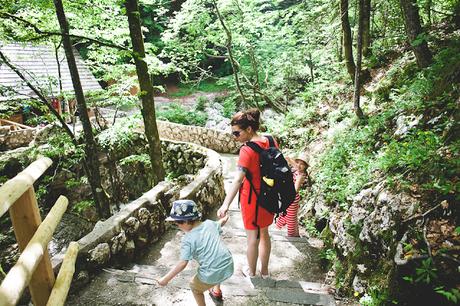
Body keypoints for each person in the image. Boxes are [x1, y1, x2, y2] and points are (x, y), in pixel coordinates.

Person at [217, 108, 275, 279]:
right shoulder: (271, 140)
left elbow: (237, 180)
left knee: (252, 238)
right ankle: (264, 272)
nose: (235, 137)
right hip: (269, 196)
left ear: (249, 129)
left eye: (236, 133)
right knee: (264, 234)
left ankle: (252, 273)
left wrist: (225, 204)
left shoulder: (247, 150)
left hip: (252, 200)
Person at [157, 199, 234, 306]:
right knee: (215, 258)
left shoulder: (187, 240)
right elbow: (220, 223)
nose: (177, 225)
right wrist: (225, 217)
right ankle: (216, 291)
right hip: (228, 264)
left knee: (195, 287)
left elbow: (182, 263)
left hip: (213, 271)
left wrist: (165, 279)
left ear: (186, 221)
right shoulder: (209, 224)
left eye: (177, 222)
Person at [275, 152, 310, 237]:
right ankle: (296, 235)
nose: (299, 165)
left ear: (305, 167)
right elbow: (296, 166)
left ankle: (291, 236)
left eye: (302, 164)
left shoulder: (301, 175)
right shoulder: (298, 170)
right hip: (291, 198)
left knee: (290, 218)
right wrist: (289, 160)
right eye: (298, 162)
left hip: (292, 198)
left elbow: (295, 189)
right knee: (292, 217)